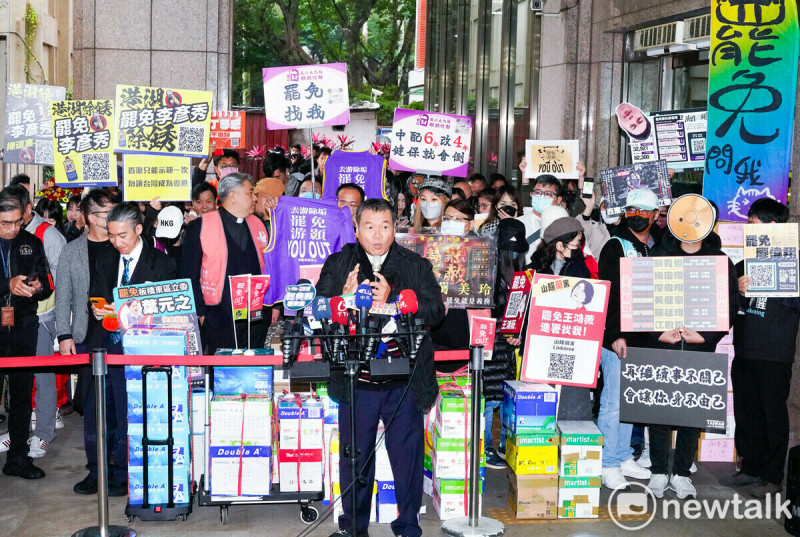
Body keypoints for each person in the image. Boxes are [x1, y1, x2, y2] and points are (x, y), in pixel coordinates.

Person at [316, 199, 445, 537]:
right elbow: (318, 310)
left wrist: (394, 300)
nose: (377, 235)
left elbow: (435, 310)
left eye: (385, 226)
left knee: (408, 457)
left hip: (404, 379)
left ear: (394, 229)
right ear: (357, 230)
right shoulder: (340, 262)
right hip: (356, 378)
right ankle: (353, 527)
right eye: (369, 227)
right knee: (354, 457)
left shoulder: (415, 265)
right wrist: (342, 301)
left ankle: (407, 526)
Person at [72, 202, 177, 497]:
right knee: (98, 411)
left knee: (128, 411)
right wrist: (99, 309)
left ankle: (122, 472)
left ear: (139, 230)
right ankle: (96, 470)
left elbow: (167, 310)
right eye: (112, 235)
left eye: (122, 236)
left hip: (142, 348)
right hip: (105, 346)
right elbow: (96, 295)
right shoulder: (105, 258)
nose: (116, 242)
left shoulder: (162, 264)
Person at [643, 207, 738, 500]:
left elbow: (729, 304)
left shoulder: (720, 261)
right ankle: (658, 471)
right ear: (673, 221)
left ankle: (683, 473)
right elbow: (643, 299)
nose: (691, 223)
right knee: (658, 410)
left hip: (701, 347)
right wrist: (656, 334)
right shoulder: (659, 256)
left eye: (698, 218)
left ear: (709, 224)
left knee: (691, 411)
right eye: (684, 216)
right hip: (662, 345)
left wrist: (707, 336)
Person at [721, 198, 800, 499]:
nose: (748, 228)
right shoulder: (744, 264)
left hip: (774, 354)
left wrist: (777, 284)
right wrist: (739, 291)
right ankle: (750, 468)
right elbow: (734, 308)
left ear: (773, 226)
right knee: (746, 412)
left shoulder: (793, 263)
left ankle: (772, 475)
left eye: (752, 222)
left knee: (772, 414)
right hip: (745, 351)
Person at [596, 187, 661, 490]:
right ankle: (606, 462)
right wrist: (614, 334)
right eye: (631, 210)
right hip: (619, 339)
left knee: (631, 401)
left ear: (656, 215)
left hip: (647, 337)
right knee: (613, 402)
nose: (636, 216)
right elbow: (608, 293)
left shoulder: (657, 244)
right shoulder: (616, 245)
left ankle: (622, 456)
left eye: (643, 212)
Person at [0, 186, 66, 459]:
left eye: (17, 221)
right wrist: (7, 284)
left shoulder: (31, 242)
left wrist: (38, 286)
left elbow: (48, 283)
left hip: (25, 325)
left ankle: (17, 455)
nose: (13, 228)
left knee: (22, 391)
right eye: (5, 223)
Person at [182, 173, 270, 353]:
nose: (254, 198)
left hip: (254, 317)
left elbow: (269, 266)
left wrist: (273, 307)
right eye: (250, 192)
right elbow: (188, 275)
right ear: (233, 196)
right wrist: (201, 314)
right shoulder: (200, 227)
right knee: (221, 372)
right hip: (218, 317)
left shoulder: (258, 224)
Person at [56, 189, 117, 430]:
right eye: (109, 213)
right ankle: (96, 461)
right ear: (92, 217)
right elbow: (63, 297)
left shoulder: (121, 246)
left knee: (115, 397)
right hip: (85, 332)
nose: (114, 217)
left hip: (120, 330)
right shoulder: (71, 251)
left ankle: (114, 455)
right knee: (89, 399)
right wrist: (64, 335)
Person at [529, 210, 594, 421]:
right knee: (540, 403)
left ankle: (570, 448)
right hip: (540, 345)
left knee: (571, 402)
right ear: (559, 245)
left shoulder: (581, 270)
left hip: (570, 345)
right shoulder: (534, 269)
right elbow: (524, 305)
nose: (579, 248)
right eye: (575, 244)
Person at [483, 218, 527, 470]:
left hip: (508, 349)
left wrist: (518, 333)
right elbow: (484, 312)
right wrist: (506, 331)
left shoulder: (522, 274)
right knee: (489, 401)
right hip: (492, 346)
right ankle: (486, 448)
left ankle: (502, 446)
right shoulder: (489, 273)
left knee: (503, 399)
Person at [515, 174, 563, 265]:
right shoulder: (518, 224)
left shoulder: (565, 226)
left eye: (548, 194)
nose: (541, 197)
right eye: (537, 192)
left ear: (559, 200)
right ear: (531, 195)